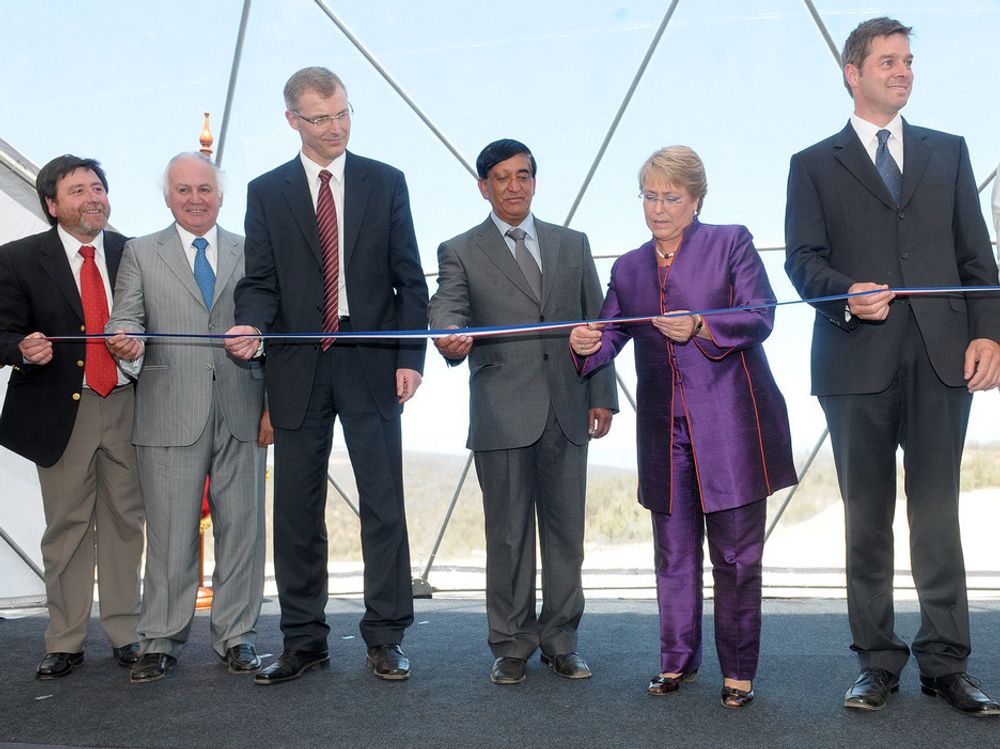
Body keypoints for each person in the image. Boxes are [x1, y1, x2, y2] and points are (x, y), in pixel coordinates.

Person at [784, 17, 1000, 715]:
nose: (903, 71)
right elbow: (801, 261)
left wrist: (991, 334)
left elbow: (977, 256)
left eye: (908, 60)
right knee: (866, 520)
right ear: (853, 72)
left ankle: (947, 664)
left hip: (944, 359)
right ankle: (875, 662)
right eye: (888, 61)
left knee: (938, 518)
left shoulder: (950, 152)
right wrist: (844, 294)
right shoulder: (812, 164)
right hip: (855, 361)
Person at [569, 146, 796, 708]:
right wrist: (587, 344)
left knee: (737, 557)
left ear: (697, 200)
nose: (659, 208)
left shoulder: (731, 242)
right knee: (672, 555)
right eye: (650, 195)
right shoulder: (628, 266)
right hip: (661, 430)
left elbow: (760, 314)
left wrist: (699, 324)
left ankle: (739, 671)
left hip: (732, 427)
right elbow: (612, 333)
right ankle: (676, 662)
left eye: (672, 197)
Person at [225, 66, 428, 684]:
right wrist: (250, 326)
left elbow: (409, 279)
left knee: (383, 505)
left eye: (343, 113)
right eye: (321, 118)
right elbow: (259, 281)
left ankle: (386, 636)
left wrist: (409, 358)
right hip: (296, 368)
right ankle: (303, 640)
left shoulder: (385, 181)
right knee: (296, 512)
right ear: (293, 121)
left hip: (370, 363)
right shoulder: (267, 191)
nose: (335, 127)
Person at [428, 138, 618, 685]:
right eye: (503, 177)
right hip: (501, 412)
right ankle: (511, 644)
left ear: (535, 180)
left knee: (565, 535)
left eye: (524, 175)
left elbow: (597, 321)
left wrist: (602, 393)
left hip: (568, 405)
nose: (515, 186)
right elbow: (448, 308)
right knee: (507, 535)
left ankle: (562, 641)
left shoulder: (572, 244)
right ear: (483, 186)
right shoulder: (459, 249)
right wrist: (447, 337)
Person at [106, 153, 270, 683]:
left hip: (243, 408)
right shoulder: (139, 252)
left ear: (221, 196)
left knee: (242, 530)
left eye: (204, 189)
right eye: (184, 190)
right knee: (171, 534)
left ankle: (237, 636)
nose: (195, 198)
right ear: (167, 197)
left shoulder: (253, 250)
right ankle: (160, 639)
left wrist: (264, 361)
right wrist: (124, 343)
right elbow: (125, 319)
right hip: (168, 411)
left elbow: (273, 320)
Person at [0, 155, 144, 679]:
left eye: (99, 187)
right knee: (67, 528)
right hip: (62, 412)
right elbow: (2, 332)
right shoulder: (16, 259)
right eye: (79, 190)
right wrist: (20, 348)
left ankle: (128, 633)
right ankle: (64, 639)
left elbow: (155, 321)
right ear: (52, 204)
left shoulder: (135, 252)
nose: (93, 198)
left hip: (129, 403)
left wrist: (139, 341)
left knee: (127, 524)